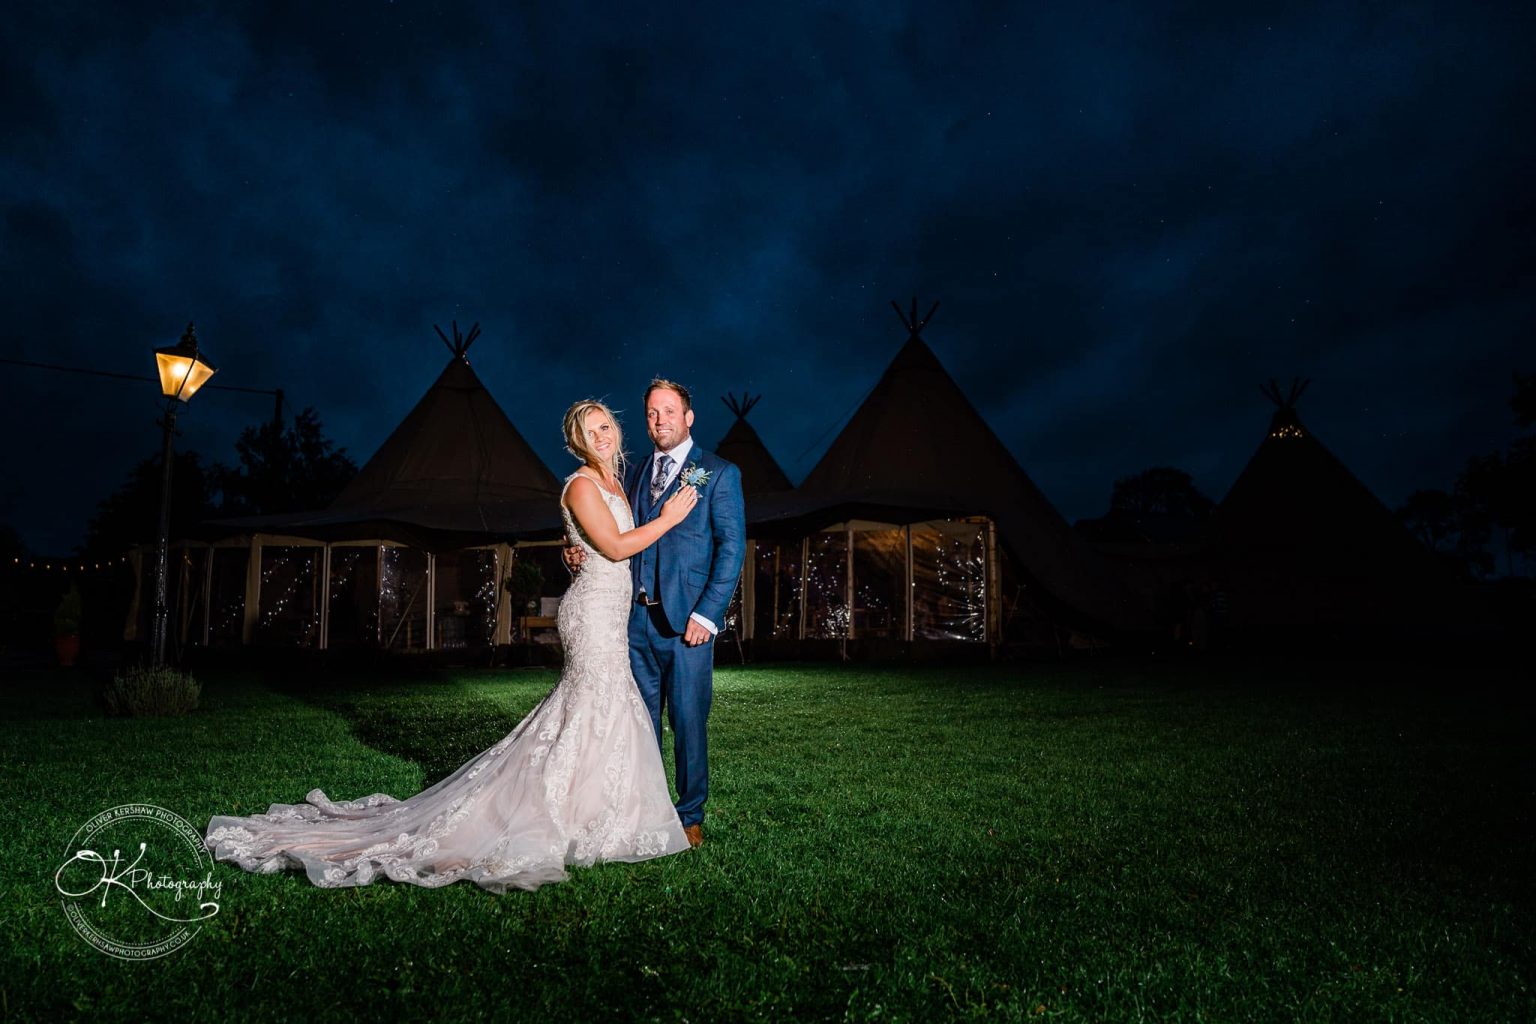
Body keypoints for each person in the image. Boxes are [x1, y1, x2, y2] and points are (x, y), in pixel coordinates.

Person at [203, 400, 700, 893]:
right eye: (590, 431)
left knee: (601, 708)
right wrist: (671, 517)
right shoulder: (582, 483)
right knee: (594, 701)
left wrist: (573, 548)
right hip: (591, 614)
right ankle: (561, 816)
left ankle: (598, 813)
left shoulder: (618, 481)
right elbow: (615, 546)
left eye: (606, 426)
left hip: (613, 611)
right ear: (577, 443)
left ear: (616, 429)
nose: (602, 436)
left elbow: (592, 538)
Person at [564, 378, 745, 848]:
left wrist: (708, 614)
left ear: (688, 417)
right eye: (651, 413)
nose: (659, 420)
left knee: (687, 722)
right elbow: (609, 530)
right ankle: (644, 809)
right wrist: (576, 549)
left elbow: (732, 549)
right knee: (636, 725)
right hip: (631, 623)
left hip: (687, 624)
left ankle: (689, 815)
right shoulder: (634, 472)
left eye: (668, 411)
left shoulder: (719, 473)